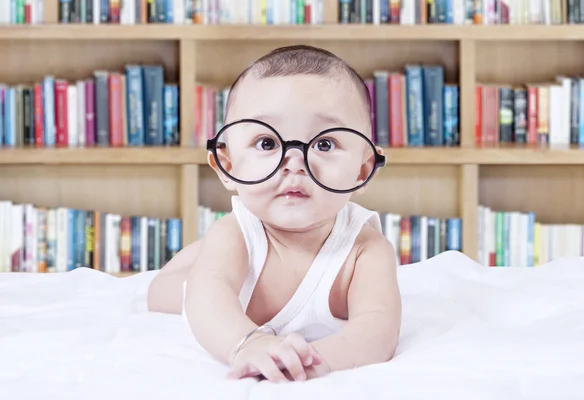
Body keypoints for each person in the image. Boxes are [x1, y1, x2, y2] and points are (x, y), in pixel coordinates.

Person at [146, 44, 402, 383]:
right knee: (164, 291)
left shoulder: (365, 251)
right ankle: (191, 261)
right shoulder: (234, 234)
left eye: (324, 144)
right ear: (226, 165)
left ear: (363, 169)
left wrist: (310, 361)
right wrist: (249, 344)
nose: (294, 163)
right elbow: (209, 296)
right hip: (193, 283)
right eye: (267, 143)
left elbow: (378, 328)